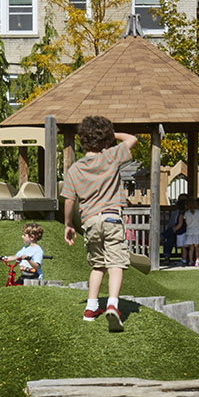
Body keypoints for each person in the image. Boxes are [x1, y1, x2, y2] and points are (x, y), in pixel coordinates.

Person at [62, 114, 139, 332]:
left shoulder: (74, 169)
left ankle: (90, 307)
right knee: (116, 263)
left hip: (90, 221)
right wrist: (109, 136)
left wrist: (68, 224)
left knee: (98, 264)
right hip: (112, 217)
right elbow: (132, 139)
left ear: (82, 140)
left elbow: (69, 200)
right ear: (106, 141)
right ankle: (112, 305)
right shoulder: (111, 156)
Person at [160, 192, 189, 263]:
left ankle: (162, 236)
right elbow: (172, 223)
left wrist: (173, 229)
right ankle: (166, 256)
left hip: (185, 232)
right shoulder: (176, 212)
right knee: (170, 238)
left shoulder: (188, 212)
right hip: (176, 231)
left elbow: (181, 224)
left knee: (170, 235)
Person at [180, 196, 199, 267]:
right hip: (197, 231)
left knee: (191, 248)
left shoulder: (186, 213)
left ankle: (191, 260)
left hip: (189, 231)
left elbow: (186, 222)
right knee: (197, 247)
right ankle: (197, 261)